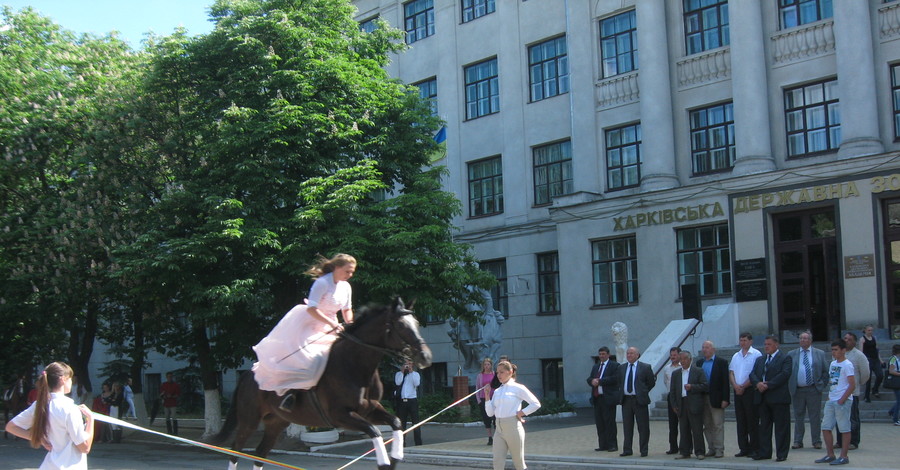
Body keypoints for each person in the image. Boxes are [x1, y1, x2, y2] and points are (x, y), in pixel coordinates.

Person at [251, 254, 356, 412]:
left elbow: (347, 309)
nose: (350, 275)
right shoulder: (322, 283)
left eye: (352, 272)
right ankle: (291, 394)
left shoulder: (346, 287)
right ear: (337, 268)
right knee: (310, 360)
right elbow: (312, 308)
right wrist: (332, 323)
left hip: (332, 325)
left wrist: (351, 324)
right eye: (348, 271)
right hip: (310, 323)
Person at [5, 362, 95, 470]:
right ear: (63, 379)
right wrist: (91, 420)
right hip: (71, 466)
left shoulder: (40, 404)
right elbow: (84, 447)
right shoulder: (70, 408)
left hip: (49, 465)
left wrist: (39, 438)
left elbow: (11, 427)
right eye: (70, 378)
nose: (72, 381)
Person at [485, 360, 540, 470]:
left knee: (518, 462)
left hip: (513, 427)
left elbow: (536, 404)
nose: (498, 375)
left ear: (510, 372)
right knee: (497, 463)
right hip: (499, 429)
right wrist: (487, 396)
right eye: (497, 372)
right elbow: (490, 413)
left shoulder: (518, 388)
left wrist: (522, 413)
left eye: (501, 372)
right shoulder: (497, 391)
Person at [749, 334, 793, 462]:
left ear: (776, 345)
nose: (766, 347)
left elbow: (784, 374)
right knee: (764, 427)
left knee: (781, 427)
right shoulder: (760, 359)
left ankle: (781, 453)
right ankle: (764, 452)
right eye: (765, 344)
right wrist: (758, 384)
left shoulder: (785, 358)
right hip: (762, 398)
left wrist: (768, 385)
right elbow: (752, 374)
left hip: (778, 398)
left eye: (769, 344)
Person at [815, 339, 856, 466]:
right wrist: (829, 396)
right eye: (832, 350)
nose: (834, 352)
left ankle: (844, 456)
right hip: (832, 398)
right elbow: (833, 381)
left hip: (842, 400)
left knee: (844, 428)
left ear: (843, 350)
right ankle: (830, 454)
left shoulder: (847, 364)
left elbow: (852, 384)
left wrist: (842, 399)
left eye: (836, 350)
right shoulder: (833, 364)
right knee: (826, 427)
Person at [787, 331, 828, 450]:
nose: (803, 341)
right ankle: (798, 441)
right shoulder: (792, 354)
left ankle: (816, 441)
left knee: (814, 416)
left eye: (805, 338)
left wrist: (821, 385)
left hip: (813, 390)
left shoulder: (819, 353)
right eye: (801, 338)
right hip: (798, 390)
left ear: (810, 340)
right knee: (798, 416)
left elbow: (825, 371)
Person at [617, 346, 655, 457]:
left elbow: (651, 382)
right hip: (626, 400)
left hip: (639, 400)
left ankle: (644, 450)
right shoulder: (621, 368)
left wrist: (642, 391)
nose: (629, 355)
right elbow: (620, 382)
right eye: (628, 353)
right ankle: (627, 449)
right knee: (627, 427)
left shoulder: (645, 367)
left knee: (643, 427)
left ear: (637, 355)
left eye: (631, 353)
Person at [669, 350, 708, 460]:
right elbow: (672, 391)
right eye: (681, 359)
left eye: (685, 359)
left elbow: (705, 385)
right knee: (684, 429)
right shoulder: (676, 373)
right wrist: (674, 404)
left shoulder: (698, 371)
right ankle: (684, 451)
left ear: (690, 359)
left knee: (697, 429)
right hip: (681, 403)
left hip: (694, 403)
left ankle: (700, 452)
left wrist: (692, 387)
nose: (683, 361)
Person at [729, 332, 761, 457]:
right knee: (741, 420)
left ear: (751, 341)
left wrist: (744, 386)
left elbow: (756, 373)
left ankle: (754, 447)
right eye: (741, 340)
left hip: (750, 390)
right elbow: (731, 372)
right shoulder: (736, 355)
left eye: (745, 340)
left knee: (751, 420)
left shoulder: (756, 354)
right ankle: (743, 447)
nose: (743, 343)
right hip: (737, 390)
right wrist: (736, 385)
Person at [696, 340, 729, 458]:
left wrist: (725, 399)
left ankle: (719, 449)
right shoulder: (699, 363)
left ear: (713, 349)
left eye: (708, 347)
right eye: (703, 347)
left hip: (716, 398)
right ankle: (711, 448)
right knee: (707, 424)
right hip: (702, 397)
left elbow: (725, 381)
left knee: (717, 424)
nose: (705, 349)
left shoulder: (721, 362)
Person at [836, 332, 869, 450]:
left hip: (852, 393)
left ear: (854, 342)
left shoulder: (859, 355)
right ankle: (840, 441)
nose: (846, 341)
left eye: (849, 339)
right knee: (839, 418)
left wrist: (857, 384)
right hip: (838, 393)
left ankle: (853, 441)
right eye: (845, 338)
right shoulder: (838, 354)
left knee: (852, 419)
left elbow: (865, 373)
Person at [586, 346, 619, 452]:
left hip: (608, 398)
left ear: (608, 355)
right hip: (597, 398)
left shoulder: (614, 365)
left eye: (603, 354)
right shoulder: (596, 367)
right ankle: (603, 445)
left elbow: (615, 379)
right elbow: (590, 378)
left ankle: (612, 445)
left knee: (609, 423)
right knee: (600, 423)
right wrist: (592, 381)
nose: (601, 356)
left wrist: (600, 381)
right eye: (600, 354)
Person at [394, 359, 422, 446]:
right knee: (402, 423)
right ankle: (402, 443)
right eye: (406, 363)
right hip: (402, 401)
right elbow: (398, 383)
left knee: (415, 422)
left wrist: (411, 372)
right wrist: (402, 372)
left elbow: (416, 383)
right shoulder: (399, 374)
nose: (408, 365)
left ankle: (418, 443)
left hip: (412, 400)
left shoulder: (415, 374)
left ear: (412, 364)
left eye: (409, 363)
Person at [662, 347, 682, 455]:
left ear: (679, 355)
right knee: (672, 424)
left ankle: (686, 446)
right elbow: (666, 382)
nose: (672, 357)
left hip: (682, 397)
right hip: (671, 397)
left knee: (684, 423)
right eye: (671, 355)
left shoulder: (683, 367)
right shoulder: (666, 368)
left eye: (674, 355)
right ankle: (673, 447)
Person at [860, 325, 883, 402]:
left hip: (875, 359)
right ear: (865, 330)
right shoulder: (862, 339)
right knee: (868, 379)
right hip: (867, 360)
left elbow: (877, 350)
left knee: (880, 375)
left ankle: (875, 389)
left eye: (871, 330)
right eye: (869, 330)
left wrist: (880, 360)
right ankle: (866, 396)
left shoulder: (874, 338)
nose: (870, 332)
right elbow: (861, 352)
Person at [476, 357, 495, 445]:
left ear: (491, 365)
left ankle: (498, 436)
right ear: (483, 366)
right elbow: (478, 388)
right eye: (485, 364)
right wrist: (479, 400)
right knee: (486, 418)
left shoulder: (494, 374)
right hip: (483, 399)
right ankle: (490, 437)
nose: (486, 366)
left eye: (488, 364)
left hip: (493, 398)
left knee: (495, 418)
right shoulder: (480, 375)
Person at [888, 343, 900, 426]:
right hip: (896, 381)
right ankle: (895, 418)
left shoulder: (897, 359)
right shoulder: (893, 359)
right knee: (899, 400)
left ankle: (891, 411)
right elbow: (891, 371)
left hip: (898, 380)